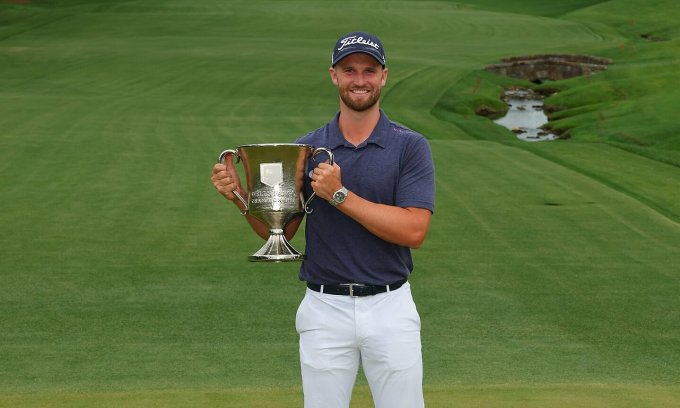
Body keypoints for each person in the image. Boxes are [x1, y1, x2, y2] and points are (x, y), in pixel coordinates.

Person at [211, 31, 435, 408]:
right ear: (334, 75)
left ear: (384, 76)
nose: (359, 80)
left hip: (390, 306)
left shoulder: (409, 145)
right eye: (349, 70)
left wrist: (340, 196)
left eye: (369, 70)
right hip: (324, 308)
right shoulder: (305, 149)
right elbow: (280, 230)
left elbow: (413, 231)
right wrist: (240, 197)